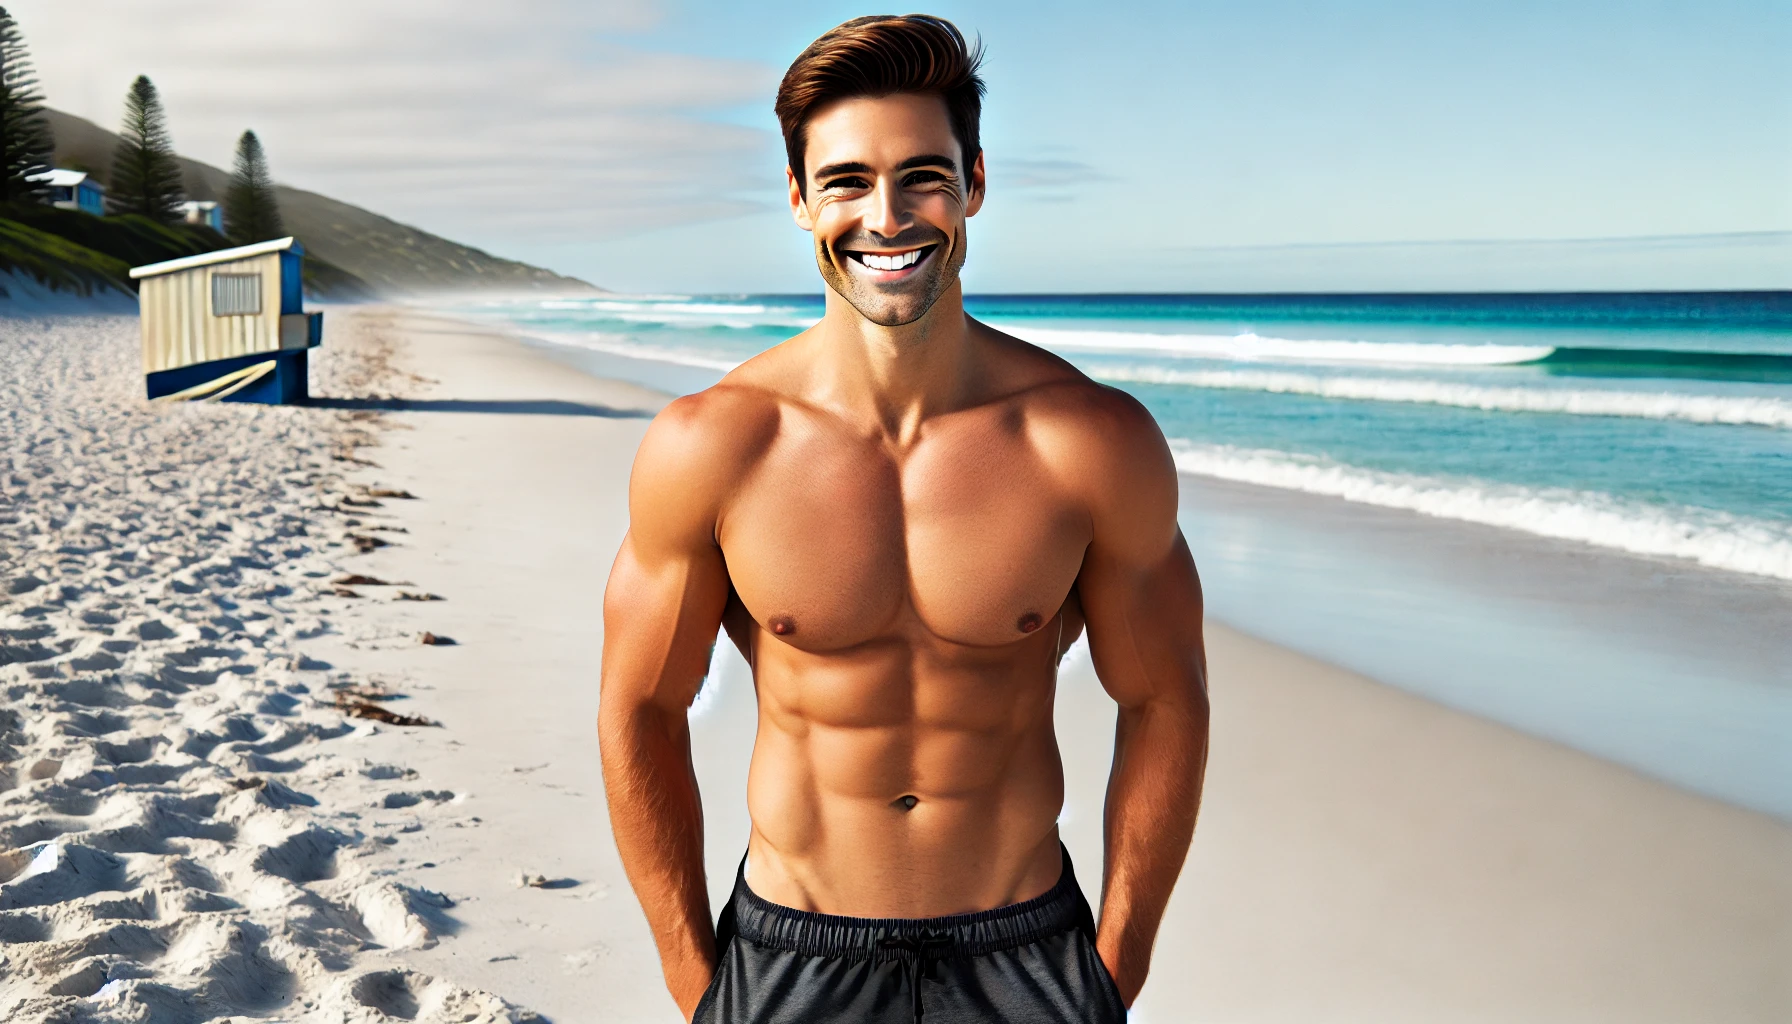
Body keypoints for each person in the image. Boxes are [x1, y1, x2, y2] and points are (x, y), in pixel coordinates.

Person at [599, 14, 1210, 1023]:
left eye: (921, 175)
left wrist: (1115, 965)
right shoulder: (714, 446)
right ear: (799, 199)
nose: (886, 216)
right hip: (790, 951)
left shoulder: (1088, 442)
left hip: (1027, 952)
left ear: (972, 182)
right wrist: (693, 980)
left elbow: (1165, 699)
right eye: (846, 181)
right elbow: (639, 709)